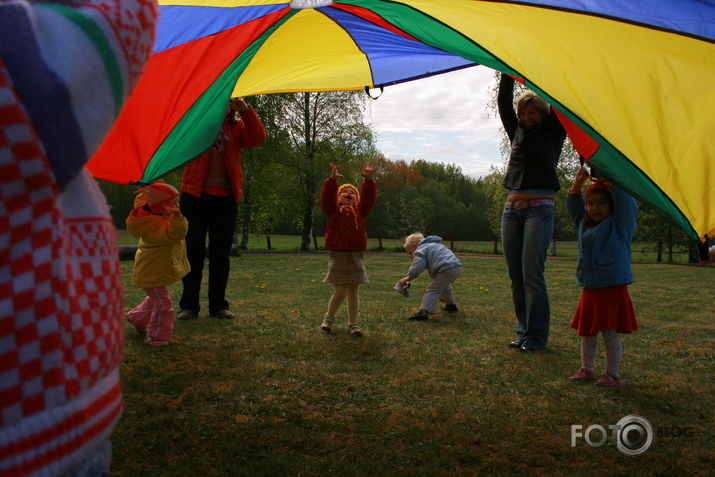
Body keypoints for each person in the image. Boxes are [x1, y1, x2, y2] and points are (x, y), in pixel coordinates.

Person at [0, 0, 157, 475]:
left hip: (37, 422)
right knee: (160, 290)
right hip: (47, 423)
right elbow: (120, 19)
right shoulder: (19, 81)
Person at [177, 97, 266, 320]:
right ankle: (189, 306)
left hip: (225, 200)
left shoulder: (236, 128)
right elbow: (179, 134)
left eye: (227, 101)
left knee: (220, 256)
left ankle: (218, 306)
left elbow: (258, 137)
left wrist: (245, 110)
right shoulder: (196, 123)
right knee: (192, 254)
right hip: (193, 197)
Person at [497, 73, 567, 352]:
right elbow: (503, 102)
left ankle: (536, 337)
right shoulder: (516, 132)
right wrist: (505, 70)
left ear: (543, 113)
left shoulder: (554, 130)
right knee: (516, 275)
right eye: (523, 112)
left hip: (540, 209)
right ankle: (524, 331)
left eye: (533, 112)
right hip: (512, 210)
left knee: (532, 275)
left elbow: (558, 100)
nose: (527, 117)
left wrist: (538, 68)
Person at [566, 167, 639, 387]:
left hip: (613, 286)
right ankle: (586, 369)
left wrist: (610, 180)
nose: (595, 208)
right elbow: (574, 207)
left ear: (612, 205)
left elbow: (626, 203)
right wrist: (577, 186)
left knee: (609, 332)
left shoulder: (620, 224)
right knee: (587, 331)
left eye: (602, 203)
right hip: (590, 287)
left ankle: (612, 374)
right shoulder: (583, 223)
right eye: (591, 203)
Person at [126, 181, 190, 346]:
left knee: (156, 298)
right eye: (172, 203)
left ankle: (137, 317)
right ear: (163, 205)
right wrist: (178, 218)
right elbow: (174, 235)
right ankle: (157, 337)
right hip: (152, 269)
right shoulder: (154, 223)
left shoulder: (151, 216)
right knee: (163, 304)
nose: (176, 205)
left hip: (154, 269)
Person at [319, 162, 376, 337]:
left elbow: (368, 200)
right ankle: (328, 318)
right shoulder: (333, 211)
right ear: (338, 198)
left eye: (352, 192)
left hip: (355, 255)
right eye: (344, 192)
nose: (349, 193)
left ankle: (353, 325)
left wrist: (368, 181)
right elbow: (326, 199)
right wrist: (332, 181)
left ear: (356, 199)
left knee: (353, 291)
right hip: (339, 255)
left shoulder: (360, 212)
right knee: (341, 290)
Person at [398, 233, 462, 321]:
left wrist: (408, 278)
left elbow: (418, 266)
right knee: (444, 287)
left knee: (432, 290)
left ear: (415, 246)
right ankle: (450, 305)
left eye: (410, 252)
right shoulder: (435, 244)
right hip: (456, 266)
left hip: (445, 268)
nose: (411, 256)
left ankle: (423, 312)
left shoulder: (420, 249)